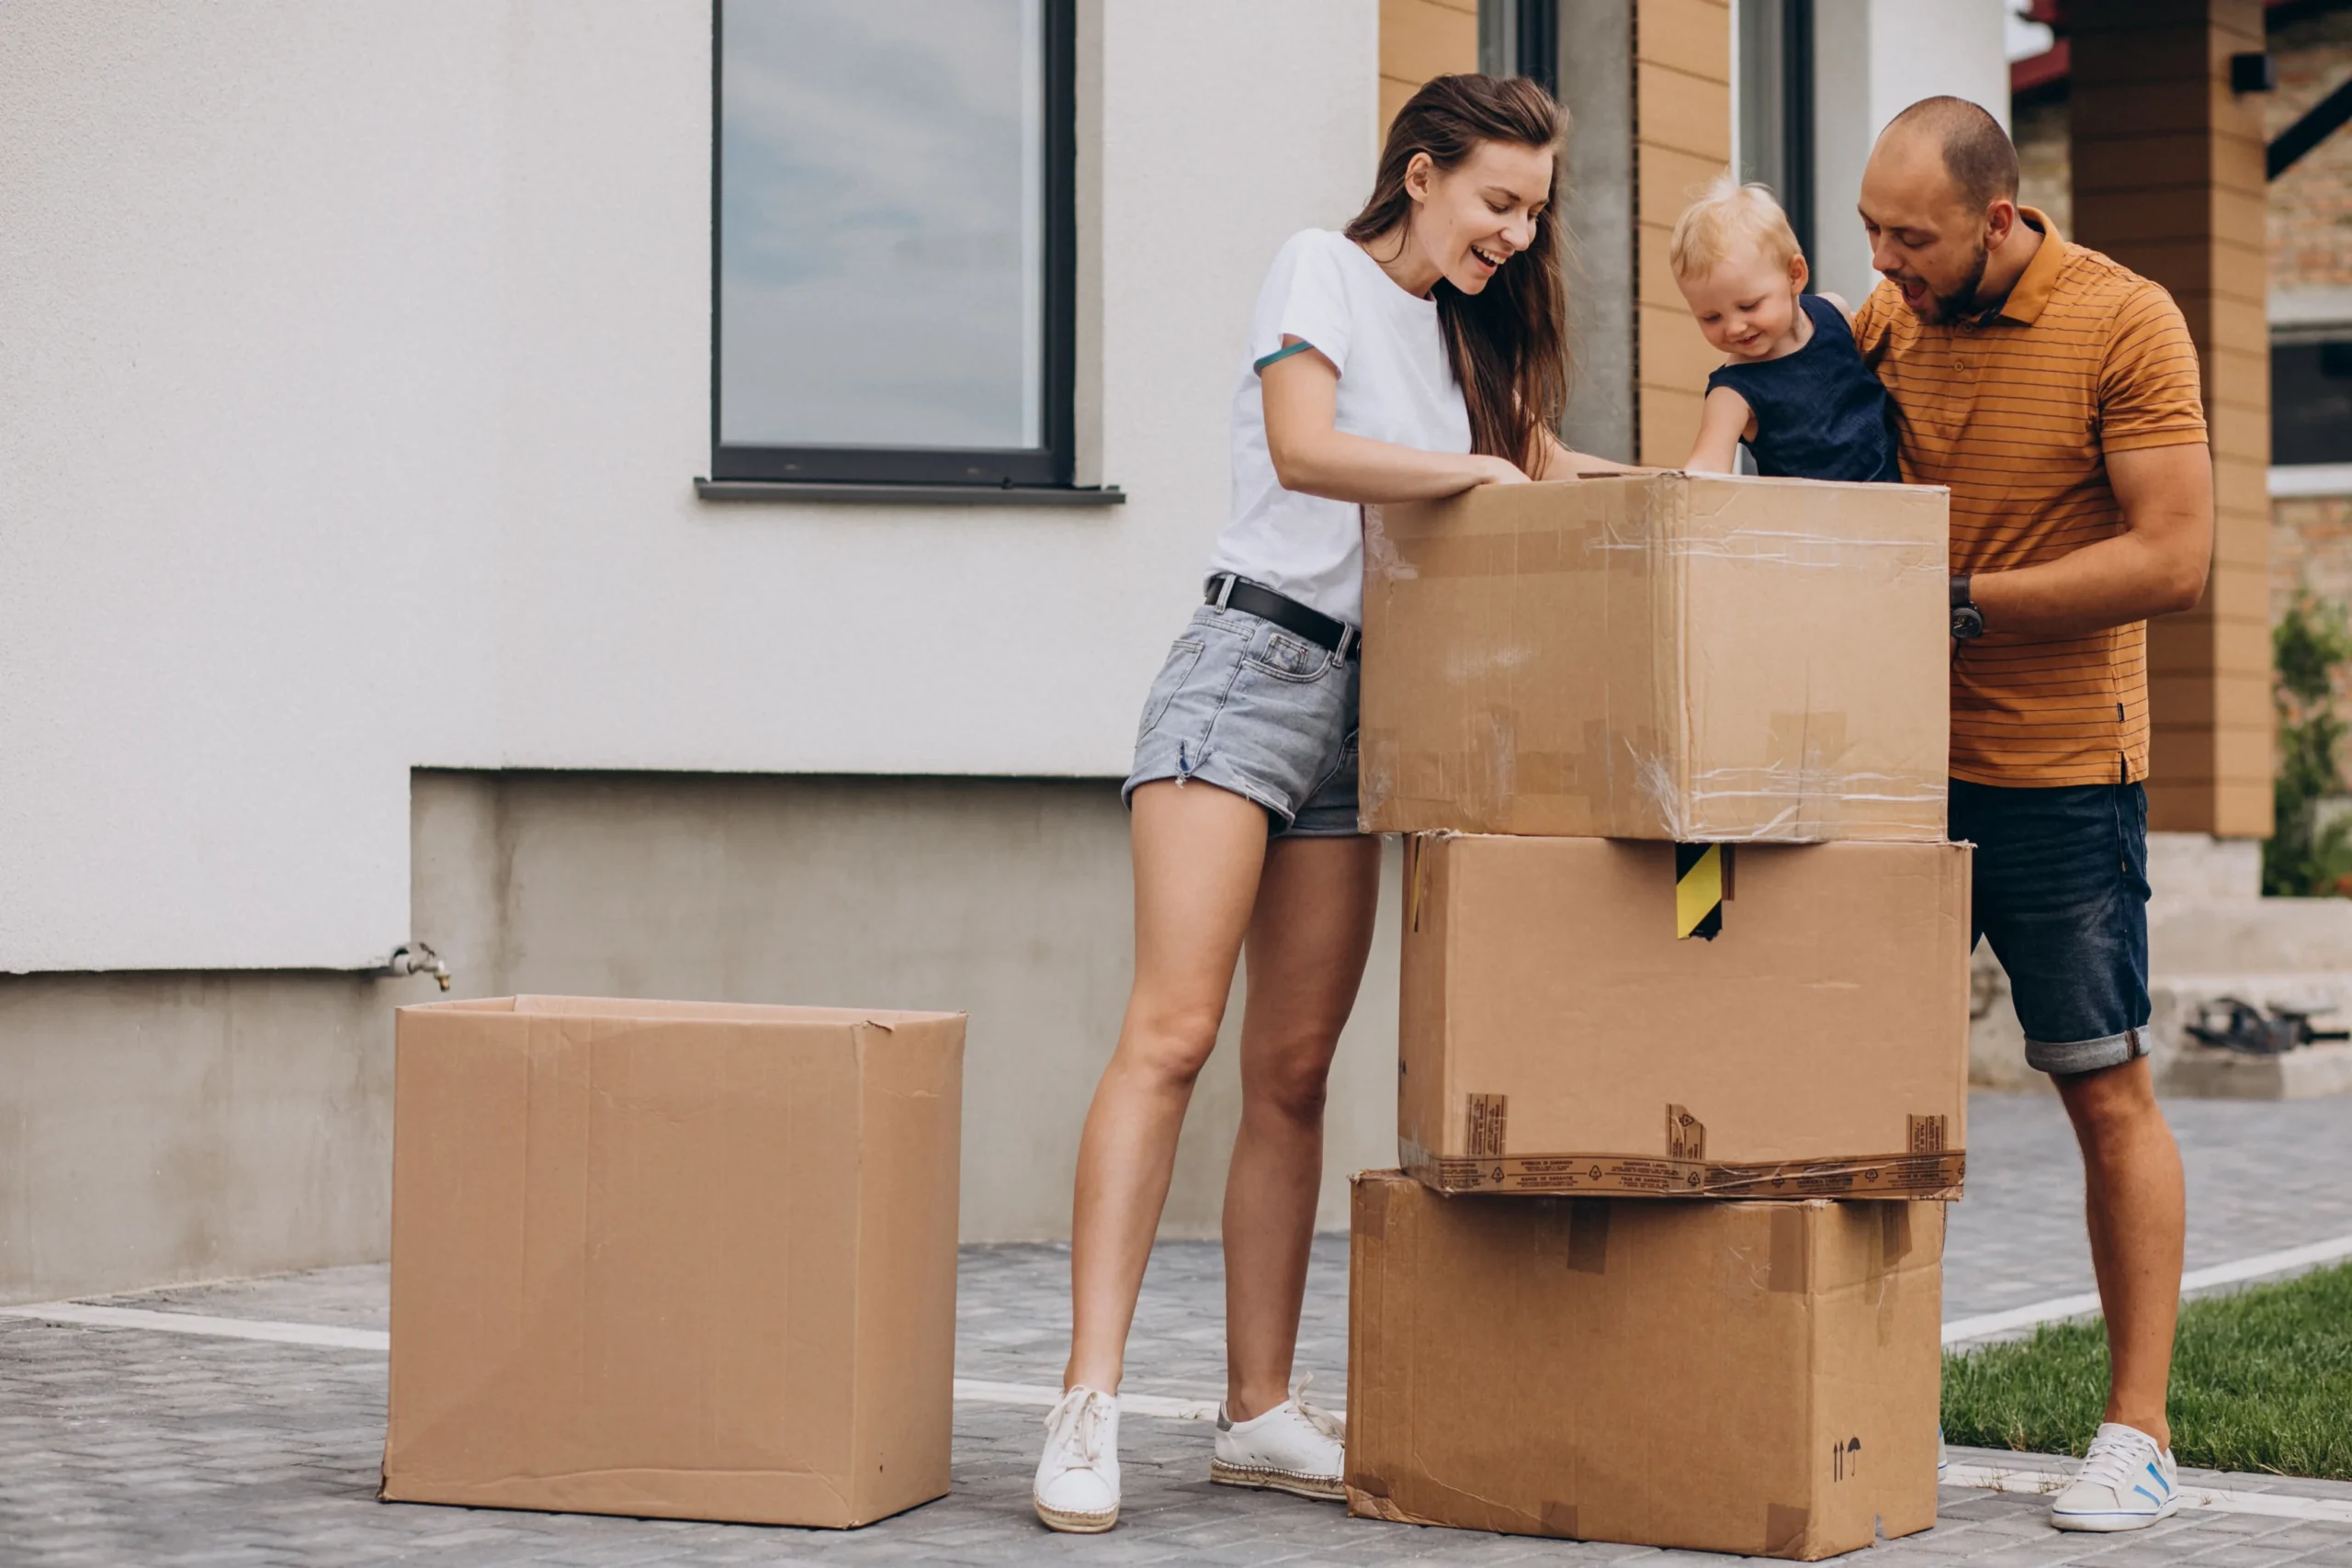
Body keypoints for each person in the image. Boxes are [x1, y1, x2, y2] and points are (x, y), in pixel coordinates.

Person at [1031, 73, 1633, 1535]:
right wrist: (1476, 472)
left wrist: (1708, 491)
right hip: (1252, 667)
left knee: (1294, 1069)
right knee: (1173, 1033)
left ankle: (1257, 1407)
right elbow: (1305, 447)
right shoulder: (1323, 266)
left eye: (1533, 211)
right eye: (1498, 200)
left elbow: (1557, 473)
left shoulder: (1467, 346)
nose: (1513, 231)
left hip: (1375, 708)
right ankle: (1086, 1399)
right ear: (1421, 174)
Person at [1850, 96, 2212, 1532]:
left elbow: (2173, 556)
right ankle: (1854, 1396)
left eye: (1914, 236)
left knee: (2100, 1084)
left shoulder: (2127, 322)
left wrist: (1954, 604)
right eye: (1872, 231)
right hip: (1884, 769)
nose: (1886, 262)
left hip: (2062, 771)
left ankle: (2140, 1431)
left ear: (1998, 219)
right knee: (1853, 1094)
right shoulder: (1888, 317)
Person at [1669, 175, 1900, 483]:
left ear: (1795, 275)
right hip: (1819, 526)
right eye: (1712, 317)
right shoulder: (1730, 394)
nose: (1735, 327)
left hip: (1903, 507)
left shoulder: (1835, 312)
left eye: (1749, 306)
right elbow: (1703, 473)